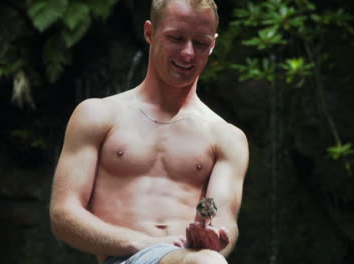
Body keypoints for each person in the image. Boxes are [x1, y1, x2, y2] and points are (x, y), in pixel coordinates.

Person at [49, 0, 249, 263]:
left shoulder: (226, 137)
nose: (188, 53)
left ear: (212, 44)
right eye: (176, 38)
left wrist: (216, 237)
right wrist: (139, 242)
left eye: (200, 43)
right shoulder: (99, 115)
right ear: (149, 32)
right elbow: (63, 213)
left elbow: (224, 218)